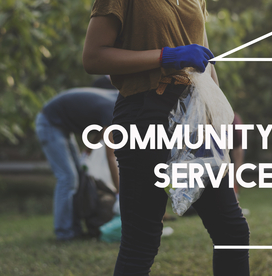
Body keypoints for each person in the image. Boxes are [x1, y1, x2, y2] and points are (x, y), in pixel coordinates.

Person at [83, 1, 250, 275]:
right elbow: (93, 57)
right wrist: (167, 57)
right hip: (144, 111)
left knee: (232, 231)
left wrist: (216, 124)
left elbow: (207, 64)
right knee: (141, 241)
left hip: (194, 115)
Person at [35, 87, 119, 241]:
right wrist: (120, 193)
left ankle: (74, 229)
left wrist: (87, 153)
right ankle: (64, 233)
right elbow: (111, 156)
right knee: (67, 178)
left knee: (78, 177)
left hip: (62, 127)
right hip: (49, 123)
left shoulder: (119, 100)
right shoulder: (114, 109)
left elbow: (101, 131)